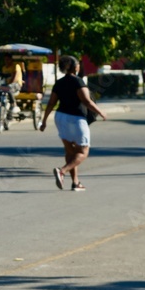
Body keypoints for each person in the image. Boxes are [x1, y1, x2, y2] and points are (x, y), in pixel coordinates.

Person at [40, 55, 106, 192]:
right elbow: (87, 101)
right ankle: (62, 171)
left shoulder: (59, 82)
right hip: (75, 119)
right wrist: (100, 112)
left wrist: (44, 121)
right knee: (83, 152)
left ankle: (75, 183)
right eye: (78, 64)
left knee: (70, 151)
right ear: (75, 67)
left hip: (60, 117)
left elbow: (51, 102)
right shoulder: (78, 82)